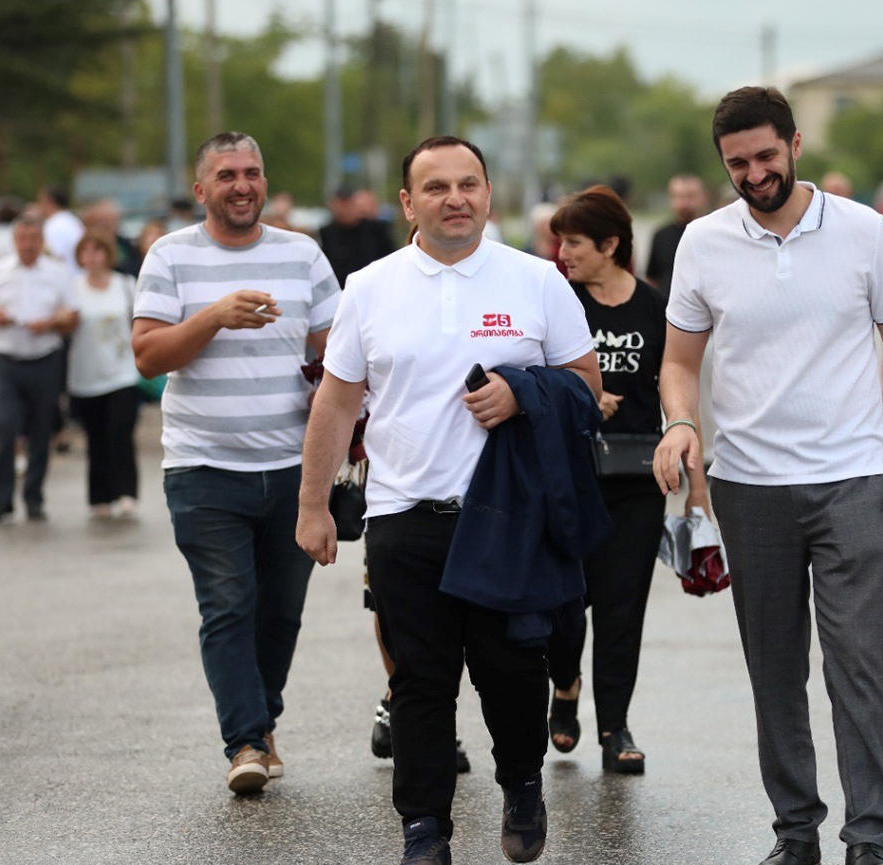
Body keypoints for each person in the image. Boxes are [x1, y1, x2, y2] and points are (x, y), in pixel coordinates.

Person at [654, 86, 883, 865]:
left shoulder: (862, 231)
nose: (754, 175)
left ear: (793, 144)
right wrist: (681, 421)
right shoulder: (703, 243)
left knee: (857, 663)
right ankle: (795, 833)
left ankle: (868, 838)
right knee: (775, 669)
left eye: (765, 156)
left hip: (851, 477)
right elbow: (680, 361)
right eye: (737, 164)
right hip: (748, 487)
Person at [296, 135, 600, 865]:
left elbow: (587, 389)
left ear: (490, 194)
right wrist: (312, 505)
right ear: (408, 203)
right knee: (419, 687)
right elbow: (336, 406)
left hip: (508, 524)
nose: (455, 198)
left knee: (512, 675)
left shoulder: (537, 280)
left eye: (469, 184)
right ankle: (424, 828)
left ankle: (522, 783)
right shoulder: (369, 286)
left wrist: (521, 391)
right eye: (436, 187)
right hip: (406, 519)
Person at [132, 131, 339, 795]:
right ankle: (245, 740)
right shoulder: (169, 256)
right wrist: (215, 316)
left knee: (279, 611)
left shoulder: (302, 254)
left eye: (252, 171)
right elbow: (148, 357)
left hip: (293, 468)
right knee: (228, 604)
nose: (243, 185)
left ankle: (261, 718)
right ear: (202, 189)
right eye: (227, 175)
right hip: (202, 468)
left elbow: (339, 354)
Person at [543, 184, 709, 773]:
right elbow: (533, 377)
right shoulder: (556, 300)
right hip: (567, 479)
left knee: (621, 608)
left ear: (611, 245)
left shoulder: (655, 307)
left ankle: (615, 725)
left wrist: (695, 470)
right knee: (564, 605)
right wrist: (582, 396)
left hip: (637, 478)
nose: (563, 252)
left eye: (575, 242)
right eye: (560, 240)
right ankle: (565, 687)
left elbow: (677, 383)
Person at [0, 214, 78, 522]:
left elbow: (73, 316)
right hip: (7, 359)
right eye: (23, 238)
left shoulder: (57, 272)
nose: (28, 245)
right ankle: (1, 498)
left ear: (42, 241)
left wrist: (52, 322)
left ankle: (34, 497)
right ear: (15, 240)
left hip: (45, 357)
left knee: (41, 430)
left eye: (34, 239)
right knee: (4, 426)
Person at [68, 232, 140, 519]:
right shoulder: (72, 288)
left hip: (122, 373)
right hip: (86, 374)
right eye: (86, 251)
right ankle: (99, 496)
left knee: (120, 432)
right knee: (96, 437)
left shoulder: (125, 286)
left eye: (98, 250)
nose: (92, 257)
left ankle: (127, 493)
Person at [319, 184, 396, 289]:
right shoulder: (326, 233)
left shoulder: (376, 230)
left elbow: (390, 260)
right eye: (340, 204)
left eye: (348, 204)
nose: (344, 209)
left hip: (373, 288)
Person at [645, 174, 709, 295]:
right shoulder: (661, 235)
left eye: (690, 196)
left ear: (703, 197)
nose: (684, 203)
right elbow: (652, 279)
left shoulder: (715, 233)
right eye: (679, 197)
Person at [38, 187, 84, 272]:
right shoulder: (75, 221)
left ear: (50, 201)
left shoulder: (53, 225)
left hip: (64, 278)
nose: (39, 205)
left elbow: (54, 257)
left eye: (41, 201)